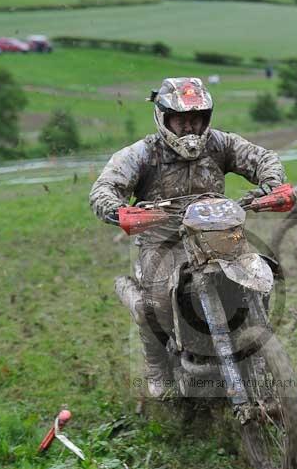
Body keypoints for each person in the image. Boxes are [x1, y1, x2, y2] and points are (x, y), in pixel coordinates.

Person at [89, 77, 285, 398]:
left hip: (218, 235)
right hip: (163, 241)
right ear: (165, 118)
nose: (190, 128)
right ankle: (158, 368)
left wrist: (270, 184)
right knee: (158, 303)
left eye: (197, 119)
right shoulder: (142, 153)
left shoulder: (220, 144)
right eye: (181, 120)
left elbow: (263, 158)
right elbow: (104, 188)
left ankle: (258, 349)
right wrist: (118, 210)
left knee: (258, 277)